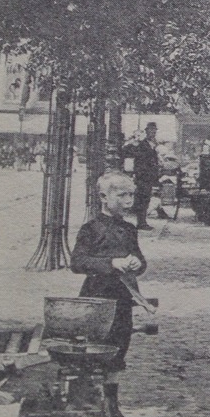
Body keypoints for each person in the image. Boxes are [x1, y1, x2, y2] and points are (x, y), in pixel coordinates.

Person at [69, 171, 148, 369]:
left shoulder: (130, 229)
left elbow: (139, 258)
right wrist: (111, 263)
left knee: (119, 349)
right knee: (94, 349)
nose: (129, 201)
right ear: (104, 197)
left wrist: (138, 264)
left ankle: (111, 397)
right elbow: (77, 262)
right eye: (122, 195)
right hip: (97, 297)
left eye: (131, 195)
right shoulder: (91, 229)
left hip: (123, 298)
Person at [122, 122, 163, 229]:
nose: (153, 132)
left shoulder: (153, 144)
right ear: (146, 131)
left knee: (145, 199)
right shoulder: (142, 144)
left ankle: (142, 221)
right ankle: (141, 222)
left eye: (154, 130)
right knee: (142, 199)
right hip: (142, 176)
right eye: (151, 130)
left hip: (149, 176)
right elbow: (130, 153)